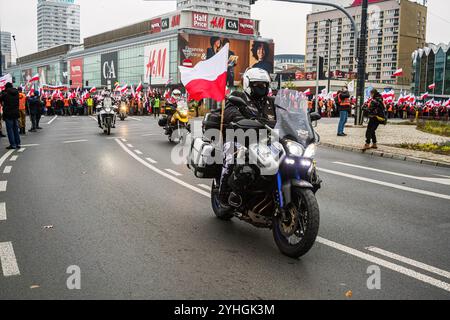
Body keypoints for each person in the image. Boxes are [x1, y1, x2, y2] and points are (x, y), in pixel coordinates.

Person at [219, 68, 275, 207]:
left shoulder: (271, 102)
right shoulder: (239, 96)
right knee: (232, 157)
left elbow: (286, 114)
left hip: (265, 140)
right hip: (239, 138)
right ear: (248, 84)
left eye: (264, 85)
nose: (262, 88)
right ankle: (223, 193)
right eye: (258, 85)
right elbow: (229, 111)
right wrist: (238, 118)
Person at [0, 83, 21, 149]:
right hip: (16, 113)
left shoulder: (5, 94)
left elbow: (1, 98)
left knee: (10, 130)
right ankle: (18, 143)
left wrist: (2, 92)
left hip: (8, 114)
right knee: (16, 129)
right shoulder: (17, 93)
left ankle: (13, 144)